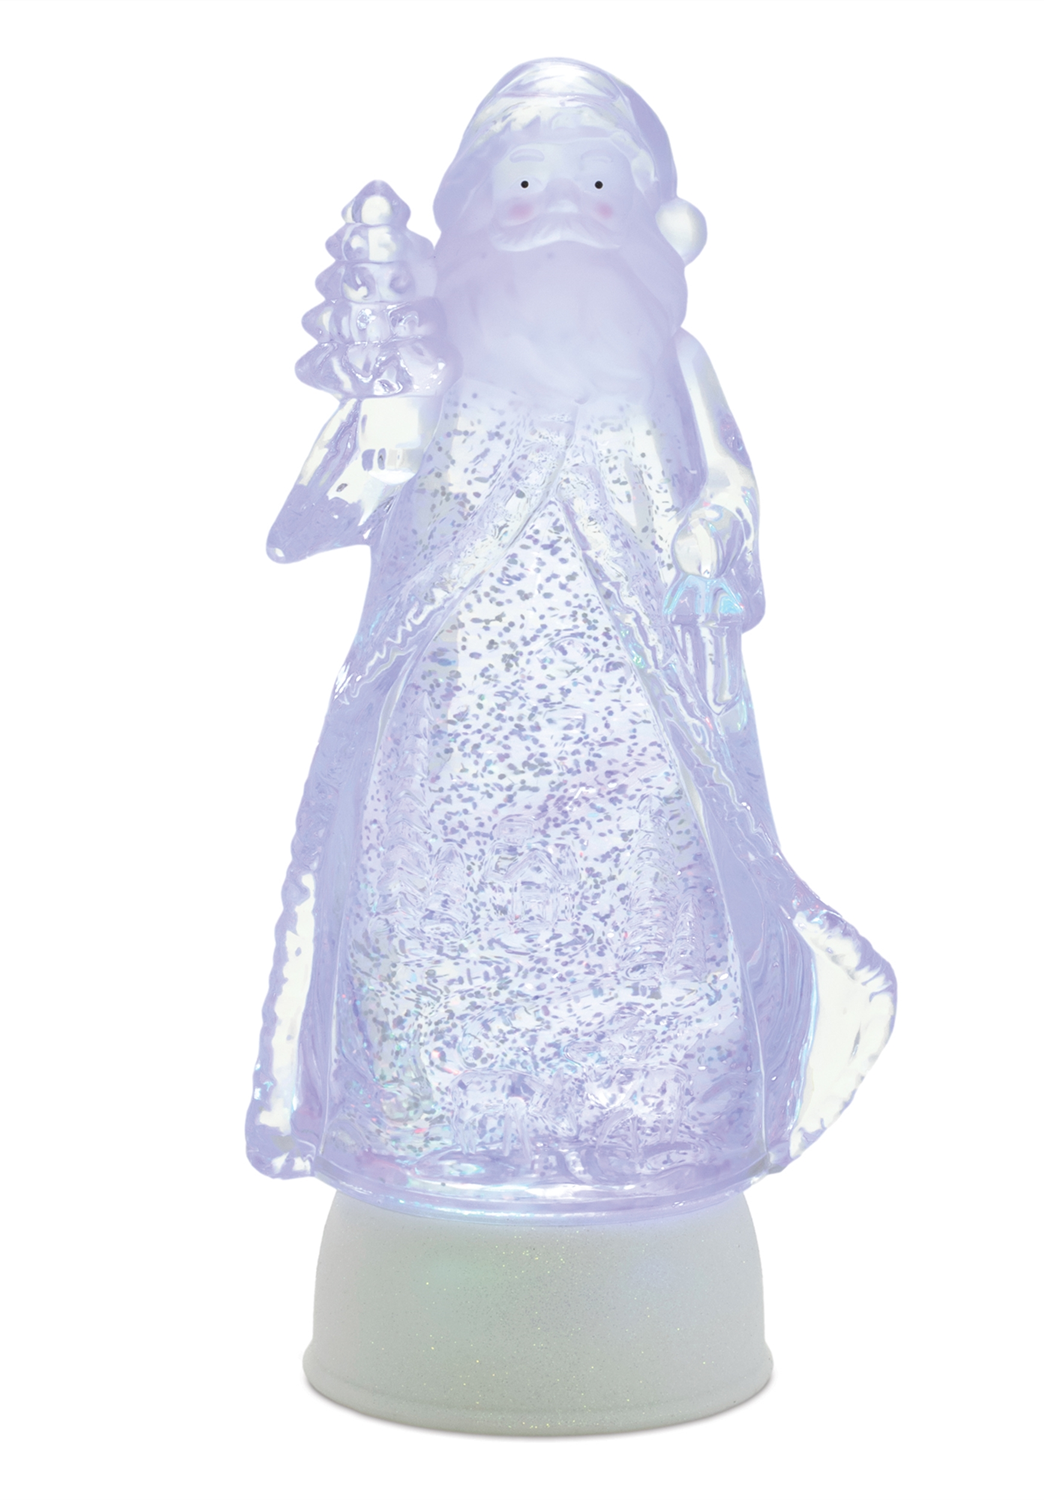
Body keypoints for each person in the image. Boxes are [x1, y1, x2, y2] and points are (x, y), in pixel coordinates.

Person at [247, 59, 895, 1216]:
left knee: (657, 929)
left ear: (650, 222)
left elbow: (728, 484)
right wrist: (377, 395)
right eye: (525, 185)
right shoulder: (437, 371)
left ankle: (652, 1144)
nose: (557, 208)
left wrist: (709, 538)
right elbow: (325, 513)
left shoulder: (668, 367)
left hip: (634, 741)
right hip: (446, 743)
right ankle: (427, 1138)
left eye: (594, 187)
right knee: (425, 949)